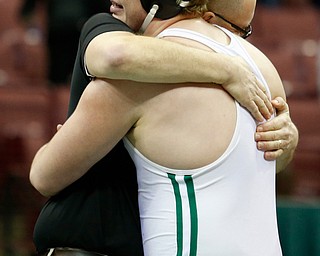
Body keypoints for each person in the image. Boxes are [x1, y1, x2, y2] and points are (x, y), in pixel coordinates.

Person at [30, 0, 297, 255]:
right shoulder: (261, 68)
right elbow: (269, 159)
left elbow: (44, 176)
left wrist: (65, 139)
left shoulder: (132, 81)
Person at [19, 0, 108, 86]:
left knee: (82, 77)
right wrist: (32, 28)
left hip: (82, 33)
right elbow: (27, 10)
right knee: (57, 75)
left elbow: (104, 9)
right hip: (57, 33)